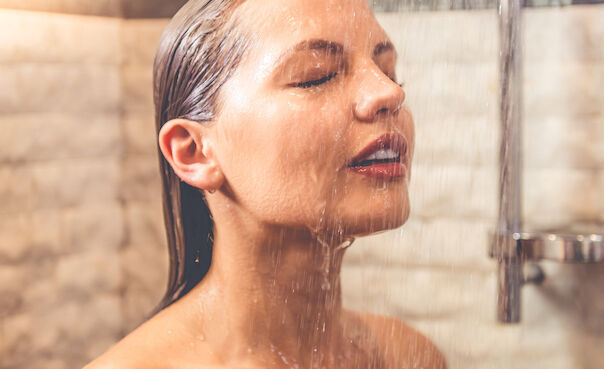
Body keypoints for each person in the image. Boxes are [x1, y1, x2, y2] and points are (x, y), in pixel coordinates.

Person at [85, 0, 446, 368]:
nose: (390, 94)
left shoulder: (407, 356)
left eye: (389, 72)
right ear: (195, 152)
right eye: (317, 76)